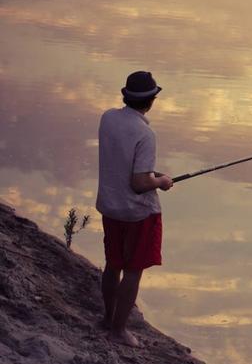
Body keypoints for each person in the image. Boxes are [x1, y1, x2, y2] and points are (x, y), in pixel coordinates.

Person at [96, 71, 173, 347]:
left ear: (125, 95)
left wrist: (152, 174)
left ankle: (107, 319)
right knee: (132, 271)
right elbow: (140, 183)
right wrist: (161, 181)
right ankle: (118, 331)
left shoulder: (107, 118)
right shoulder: (145, 133)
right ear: (151, 101)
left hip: (110, 205)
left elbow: (124, 160)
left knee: (113, 264)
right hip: (137, 213)